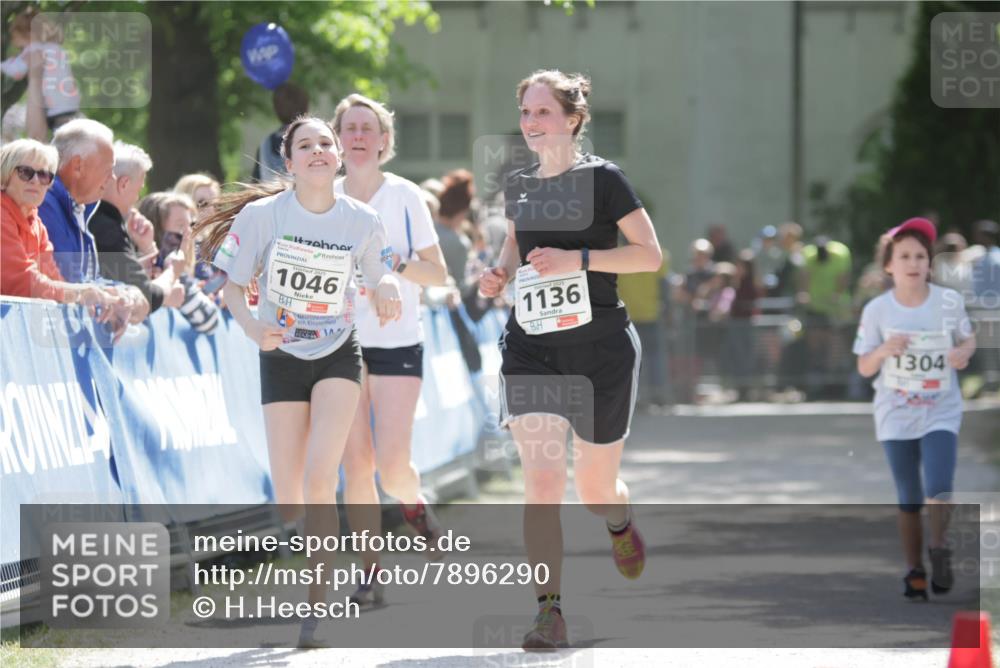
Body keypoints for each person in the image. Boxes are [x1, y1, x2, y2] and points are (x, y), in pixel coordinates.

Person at [195, 115, 402, 647]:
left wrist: (388, 289)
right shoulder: (266, 216)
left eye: (325, 143)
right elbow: (232, 288)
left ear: (338, 158)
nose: (317, 150)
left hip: (337, 353)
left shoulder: (361, 218)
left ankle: (315, 609)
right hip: (280, 354)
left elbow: (381, 273)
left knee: (319, 477)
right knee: (289, 493)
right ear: (288, 164)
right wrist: (252, 327)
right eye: (304, 145)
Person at [478, 70, 662, 651]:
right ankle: (548, 612)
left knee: (593, 487)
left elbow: (649, 256)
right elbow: (515, 240)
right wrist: (501, 271)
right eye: (526, 113)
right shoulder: (520, 184)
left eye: (544, 113)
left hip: (600, 351)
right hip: (532, 348)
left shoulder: (604, 180)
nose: (532, 124)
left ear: (573, 119)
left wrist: (578, 258)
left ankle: (617, 518)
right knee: (541, 480)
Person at [331, 94, 450, 606]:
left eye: (368, 128)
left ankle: (415, 505)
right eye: (350, 128)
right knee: (356, 467)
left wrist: (391, 264)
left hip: (398, 340)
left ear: (384, 142)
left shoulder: (405, 197)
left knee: (393, 467)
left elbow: (438, 273)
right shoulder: (319, 197)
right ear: (338, 139)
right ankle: (370, 575)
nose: (358, 136)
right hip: (340, 344)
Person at [853, 217, 976, 601]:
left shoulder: (948, 302)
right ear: (889, 264)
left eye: (920, 256)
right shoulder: (877, 310)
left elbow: (968, 340)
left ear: (929, 263)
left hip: (940, 408)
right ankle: (914, 570)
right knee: (908, 497)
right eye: (904, 255)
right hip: (896, 413)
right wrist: (884, 351)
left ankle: (938, 548)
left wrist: (961, 353)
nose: (913, 263)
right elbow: (863, 366)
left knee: (939, 487)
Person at [1, 138, 114, 313]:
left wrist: (84, 301)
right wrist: (77, 293)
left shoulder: (37, 224)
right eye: (25, 172)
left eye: (44, 175)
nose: (36, 181)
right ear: (4, 178)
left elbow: (52, 277)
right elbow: (22, 282)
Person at [89, 142, 185, 315]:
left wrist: (143, 257)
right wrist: (173, 271)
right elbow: (148, 295)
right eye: (139, 190)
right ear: (124, 184)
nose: (137, 198)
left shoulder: (96, 218)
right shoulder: (106, 227)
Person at [138, 192, 220, 334]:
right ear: (156, 229)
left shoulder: (176, 269)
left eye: (191, 225)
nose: (188, 233)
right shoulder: (140, 267)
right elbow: (209, 321)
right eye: (180, 226)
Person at [2, 7, 82, 140]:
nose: (14, 43)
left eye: (15, 36)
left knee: (42, 139)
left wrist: (4, 65)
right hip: (69, 104)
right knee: (67, 140)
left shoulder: (33, 49)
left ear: (28, 33)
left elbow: (17, 72)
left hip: (52, 108)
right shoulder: (56, 48)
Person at [252, 83, 310, 183]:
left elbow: (256, 183)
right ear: (305, 106)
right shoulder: (317, 139)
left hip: (271, 197)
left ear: (276, 109)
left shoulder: (265, 145)